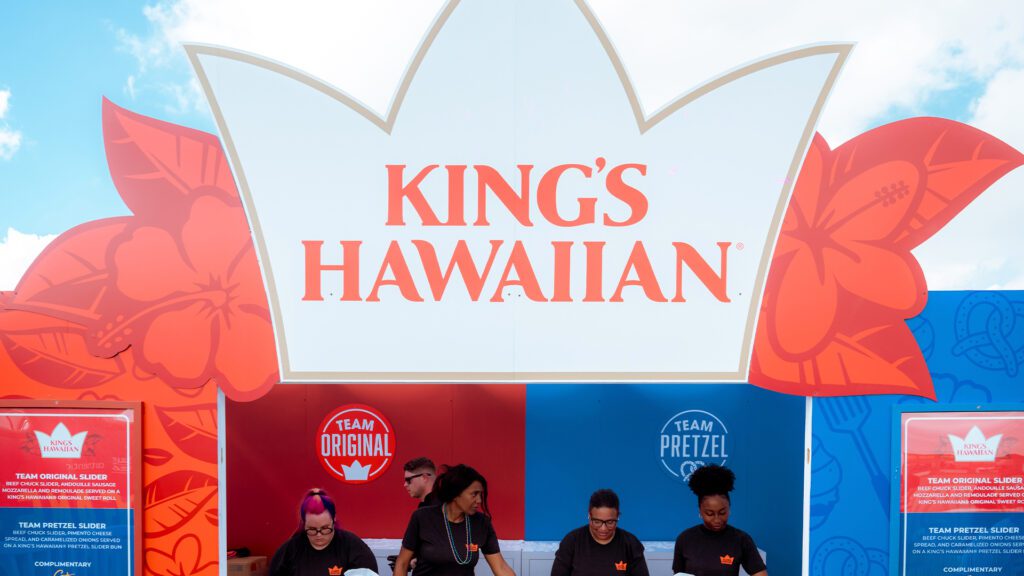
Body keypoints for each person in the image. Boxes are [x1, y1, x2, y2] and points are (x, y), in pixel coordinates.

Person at [393, 464, 516, 576]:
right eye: (474, 494)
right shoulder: (422, 517)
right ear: (456, 494)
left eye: (480, 495)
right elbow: (402, 563)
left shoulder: (482, 523)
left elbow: (500, 567)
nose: (479, 500)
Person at [672, 465, 767, 576]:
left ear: (729, 509)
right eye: (710, 514)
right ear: (700, 511)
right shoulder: (685, 539)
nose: (717, 519)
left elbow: (760, 574)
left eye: (722, 513)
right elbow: (678, 574)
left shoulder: (741, 540)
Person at [270, 488, 379, 576]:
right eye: (312, 529)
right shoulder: (290, 550)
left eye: (325, 528)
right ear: (304, 523)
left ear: (334, 519)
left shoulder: (353, 547)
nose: (319, 535)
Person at [551, 489, 649, 576]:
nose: (603, 529)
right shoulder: (571, 542)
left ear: (618, 516)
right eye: (597, 522)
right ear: (589, 516)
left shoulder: (630, 544)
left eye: (610, 522)